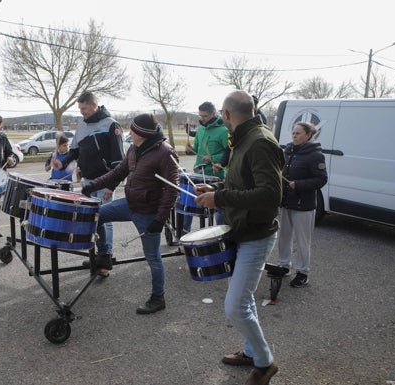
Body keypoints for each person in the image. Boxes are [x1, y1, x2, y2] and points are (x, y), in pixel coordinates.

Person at [194, 91, 284, 385]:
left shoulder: (259, 142)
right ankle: (251, 351)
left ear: (229, 115)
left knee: (235, 305)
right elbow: (241, 183)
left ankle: (265, 362)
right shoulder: (244, 138)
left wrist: (220, 198)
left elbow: (271, 195)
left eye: (222, 113)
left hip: (256, 235)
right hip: (241, 230)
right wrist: (213, 191)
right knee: (243, 299)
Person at [81, 113, 179, 313]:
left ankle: (158, 298)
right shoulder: (135, 148)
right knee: (96, 214)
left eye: (133, 130)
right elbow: (118, 172)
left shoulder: (165, 153)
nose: (129, 133)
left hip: (148, 213)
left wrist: (160, 220)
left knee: (153, 257)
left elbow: (172, 189)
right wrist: (93, 185)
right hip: (129, 203)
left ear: (142, 134)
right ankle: (104, 256)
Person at [53, 92, 125, 273]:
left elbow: (119, 161)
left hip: (105, 181)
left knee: (104, 218)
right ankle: (98, 257)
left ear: (94, 105)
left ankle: (105, 258)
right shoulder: (82, 125)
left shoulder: (111, 124)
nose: (82, 112)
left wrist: (111, 185)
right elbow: (75, 151)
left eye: (84, 108)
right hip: (89, 181)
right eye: (80, 109)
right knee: (93, 220)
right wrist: (63, 163)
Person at [277, 122, 328, 288]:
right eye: (293, 133)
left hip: (303, 205)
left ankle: (302, 273)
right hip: (286, 202)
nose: (294, 136)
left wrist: (299, 184)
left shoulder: (315, 155)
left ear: (308, 135)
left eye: (298, 133)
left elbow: (321, 179)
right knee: (284, 236)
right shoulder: (288, 150)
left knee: (302, 240)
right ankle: (284, 266)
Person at [183, 101, 229, 232]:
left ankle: (221, 234)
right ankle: (184, 234)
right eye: (200, 116)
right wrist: (189, 149)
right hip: (198, 172)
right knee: (189, 205)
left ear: (214, 113)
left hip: (215, 176)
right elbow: (196, 148)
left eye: (205, 116)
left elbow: (229, 152)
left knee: (217, 211)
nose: (202, 119)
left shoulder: (224, 130)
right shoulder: (201, 129)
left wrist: (213, 158)